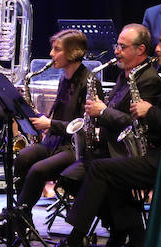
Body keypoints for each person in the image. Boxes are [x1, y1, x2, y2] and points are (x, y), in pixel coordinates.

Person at [42, 22, 161, 247]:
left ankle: (75, 242)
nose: (157, 49)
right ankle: (135, 239)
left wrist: (148, 112)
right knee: (107, 171)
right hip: (160, 154)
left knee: (99, 169)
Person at [10, 29, 97, 230]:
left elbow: (85, 127)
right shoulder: (64, 78)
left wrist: (51, 125)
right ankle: (24, 219)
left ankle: (17, 219)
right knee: (23, 157)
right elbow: (61, 116)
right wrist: (45, 120)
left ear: (73, 53)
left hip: (74, 148)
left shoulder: (89, 82)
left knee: (38, 169)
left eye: (56, 49)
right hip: (55, 142)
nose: (50, 53)